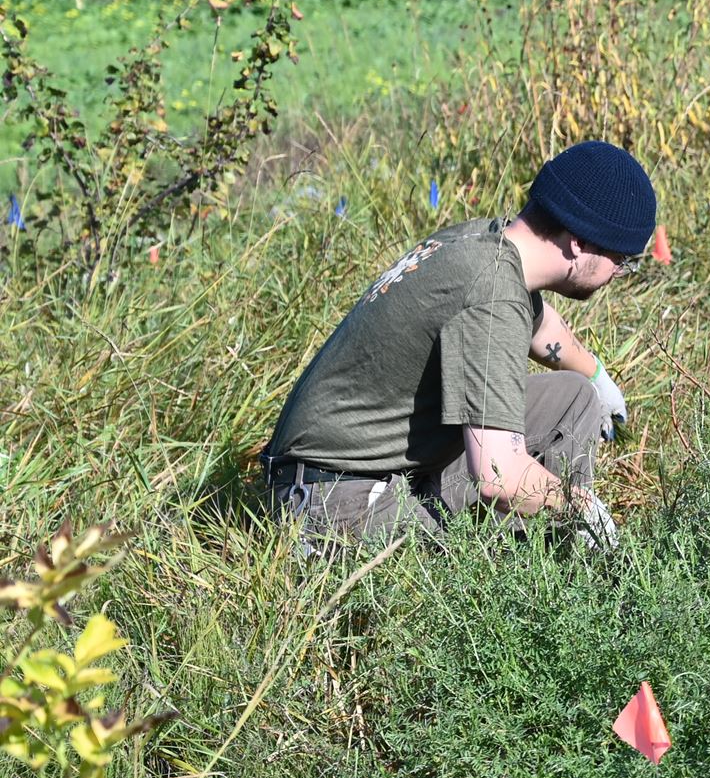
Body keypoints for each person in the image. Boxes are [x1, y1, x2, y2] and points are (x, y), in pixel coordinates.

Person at [262, 140, 657, 550]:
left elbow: (542, 327)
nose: (617, 274)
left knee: (575, 397)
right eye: (621, 261)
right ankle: (560, 558)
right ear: (581, 242)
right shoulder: (491, 294)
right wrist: (580, 506)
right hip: (332, 498)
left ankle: (564, 553)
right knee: (475, 578)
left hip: (378, 466)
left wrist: (595, 375)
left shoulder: (486, 242)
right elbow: (497, 474)